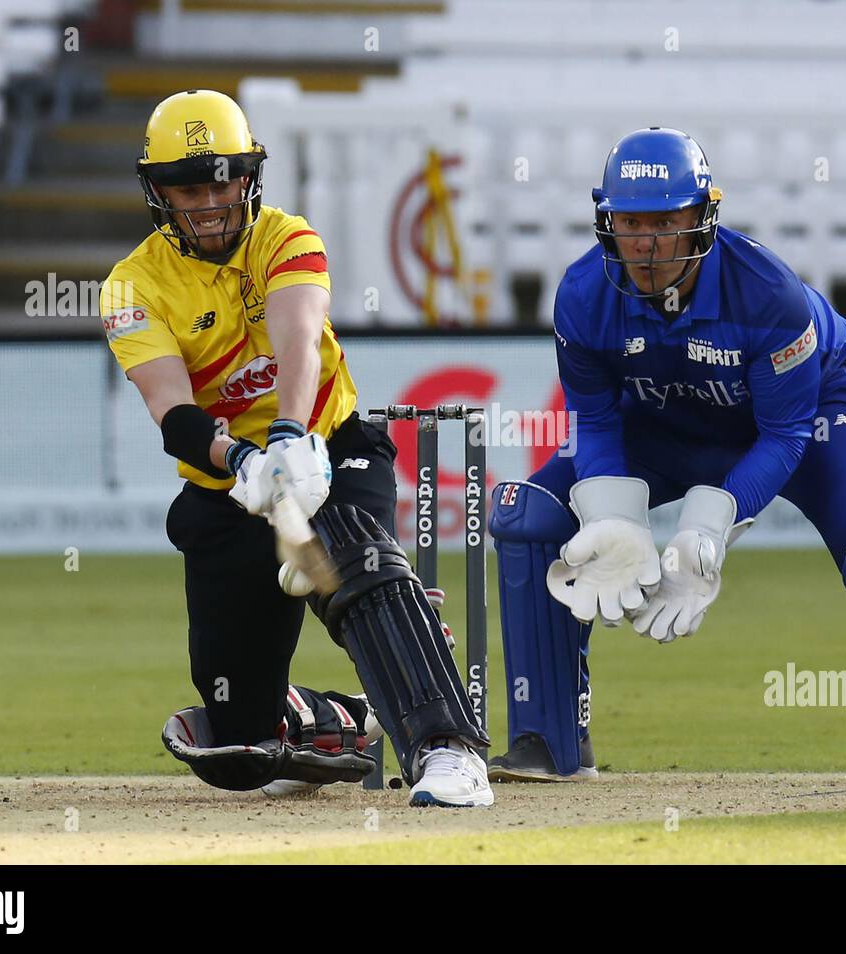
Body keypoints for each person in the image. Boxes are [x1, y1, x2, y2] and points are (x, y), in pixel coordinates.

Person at [487, 127, 846, 785]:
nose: (647, 245)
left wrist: (707, 527)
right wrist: (614, 517)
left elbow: (783, 434)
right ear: (606, 220)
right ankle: (546, 740)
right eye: (632, 222)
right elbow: (594, 417)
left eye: (666, 222)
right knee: (530, 516)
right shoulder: (582, 296)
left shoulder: (768, 295)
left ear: (703, 218)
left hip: (803, 415)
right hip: (664, 418)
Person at [99, 89, 493, 807]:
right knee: (239, 747)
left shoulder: (287, 236)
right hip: (226, 488)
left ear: (248, 177)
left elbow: (298, 343)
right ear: (158, 192)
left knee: (351, 557)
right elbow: (172, 411)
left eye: (224, 180)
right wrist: (243, 460)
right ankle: (331, 716)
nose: (211, 202)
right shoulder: (132, 284)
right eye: (190, 186)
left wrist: (285, 438)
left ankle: (447, 748)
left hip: (330, 447)